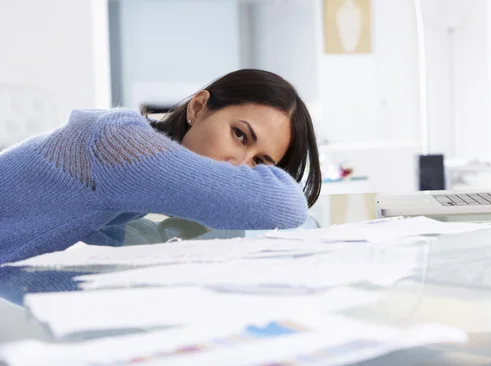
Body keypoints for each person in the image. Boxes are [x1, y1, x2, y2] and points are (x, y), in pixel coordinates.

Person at [0, 69, 321, 263]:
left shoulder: (131, 146)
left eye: (259, 162)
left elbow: (85, 228)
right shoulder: (121, 142)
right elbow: (288, 206)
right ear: (198, 107)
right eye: (239, 135)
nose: (238, 165)